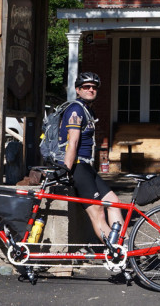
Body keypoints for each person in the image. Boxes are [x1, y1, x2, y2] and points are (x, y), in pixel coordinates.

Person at [59, 72, 123, 244]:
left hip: (87, 167)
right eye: (86, 87)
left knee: (114, 202)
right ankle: (115, 251)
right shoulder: (76, 109)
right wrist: (66, 170)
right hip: (77, 166)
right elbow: (72, 142)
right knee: (98, 211)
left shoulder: (87, 109)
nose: (91, 90)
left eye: (94, 87)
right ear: (77, 90)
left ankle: (122, 245)